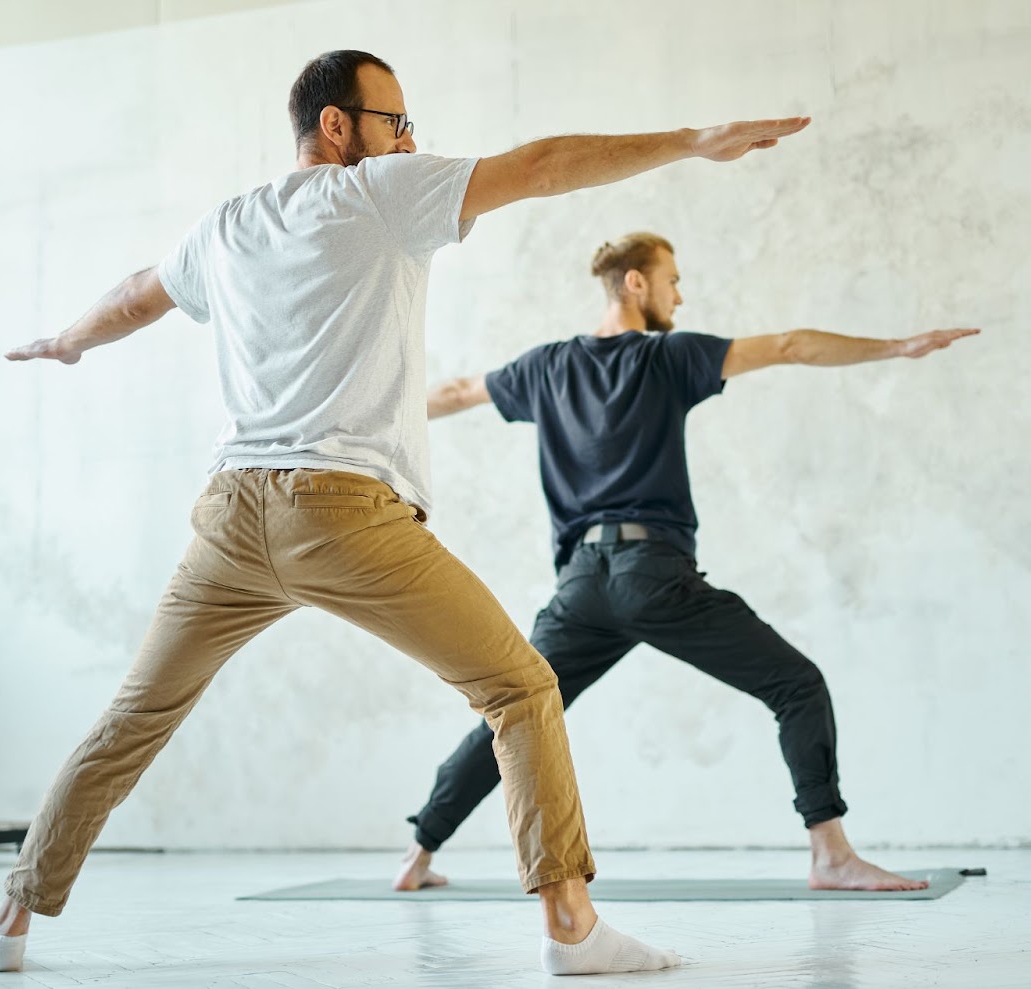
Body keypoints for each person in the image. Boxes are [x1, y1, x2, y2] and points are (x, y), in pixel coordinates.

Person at [0, 51, 809, 977]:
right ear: (339, 126)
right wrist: (691, 141)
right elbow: (540, 165)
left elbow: (134, 295)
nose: (411, 139)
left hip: (231, 520)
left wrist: (66, 341)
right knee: (521, 689)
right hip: (341, 511)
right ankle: (572, 928)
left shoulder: (226, 225)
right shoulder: (379, 193)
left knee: (131, 718)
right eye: (396, 121)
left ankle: (9, 922)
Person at [397, 231, 978, 895]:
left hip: (581, 588)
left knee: (515, 711)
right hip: (653, 576)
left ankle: (416, 855)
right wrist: (898, 347)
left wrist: (358, 421)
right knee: (797, 685)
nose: (681, 292)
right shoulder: (672, 356)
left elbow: (456, 389)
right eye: (672, 278)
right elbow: (788, 345)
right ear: (636, 284)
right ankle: (832, 853)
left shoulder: (546, 367)